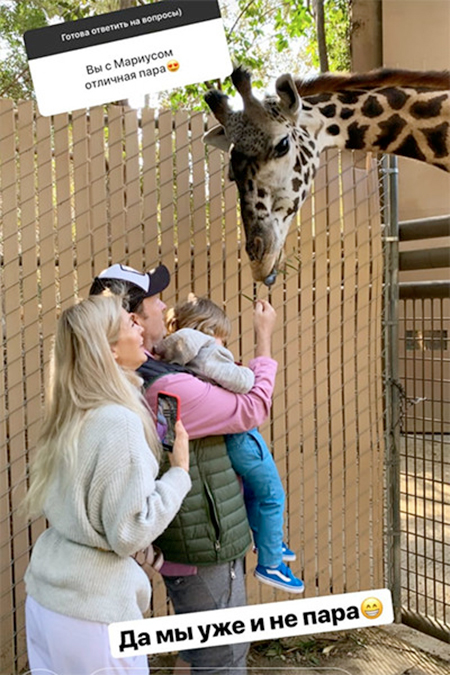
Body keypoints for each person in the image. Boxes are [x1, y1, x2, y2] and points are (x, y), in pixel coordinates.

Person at [89, 263, 279, 675]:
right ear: (132, 319)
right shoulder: (166, 387)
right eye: (155, 300)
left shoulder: (144, 369)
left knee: (196, 648)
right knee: (222, 658)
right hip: (201, 544)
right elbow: (253, 407)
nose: (164, 307)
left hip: (185, 537)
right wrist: (264, 338)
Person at [23, 293, 191, 675]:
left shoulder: (70, 411)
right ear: (111, 350)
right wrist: (179, 473)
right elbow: (129, 531)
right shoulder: (119, 422)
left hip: (48, 599)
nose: (139, 324)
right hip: (95, 614)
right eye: (129, 322)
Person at [155, 293, 304, 592]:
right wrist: (253, 360)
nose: (224, 345)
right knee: (272, 494)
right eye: (222, 338)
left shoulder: (171, 357)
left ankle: (268, 540)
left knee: (253, 491)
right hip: (241, 437)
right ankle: (271, 563)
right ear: (209, 332)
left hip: (221, 447)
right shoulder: (207, 351)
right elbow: (249, 392)